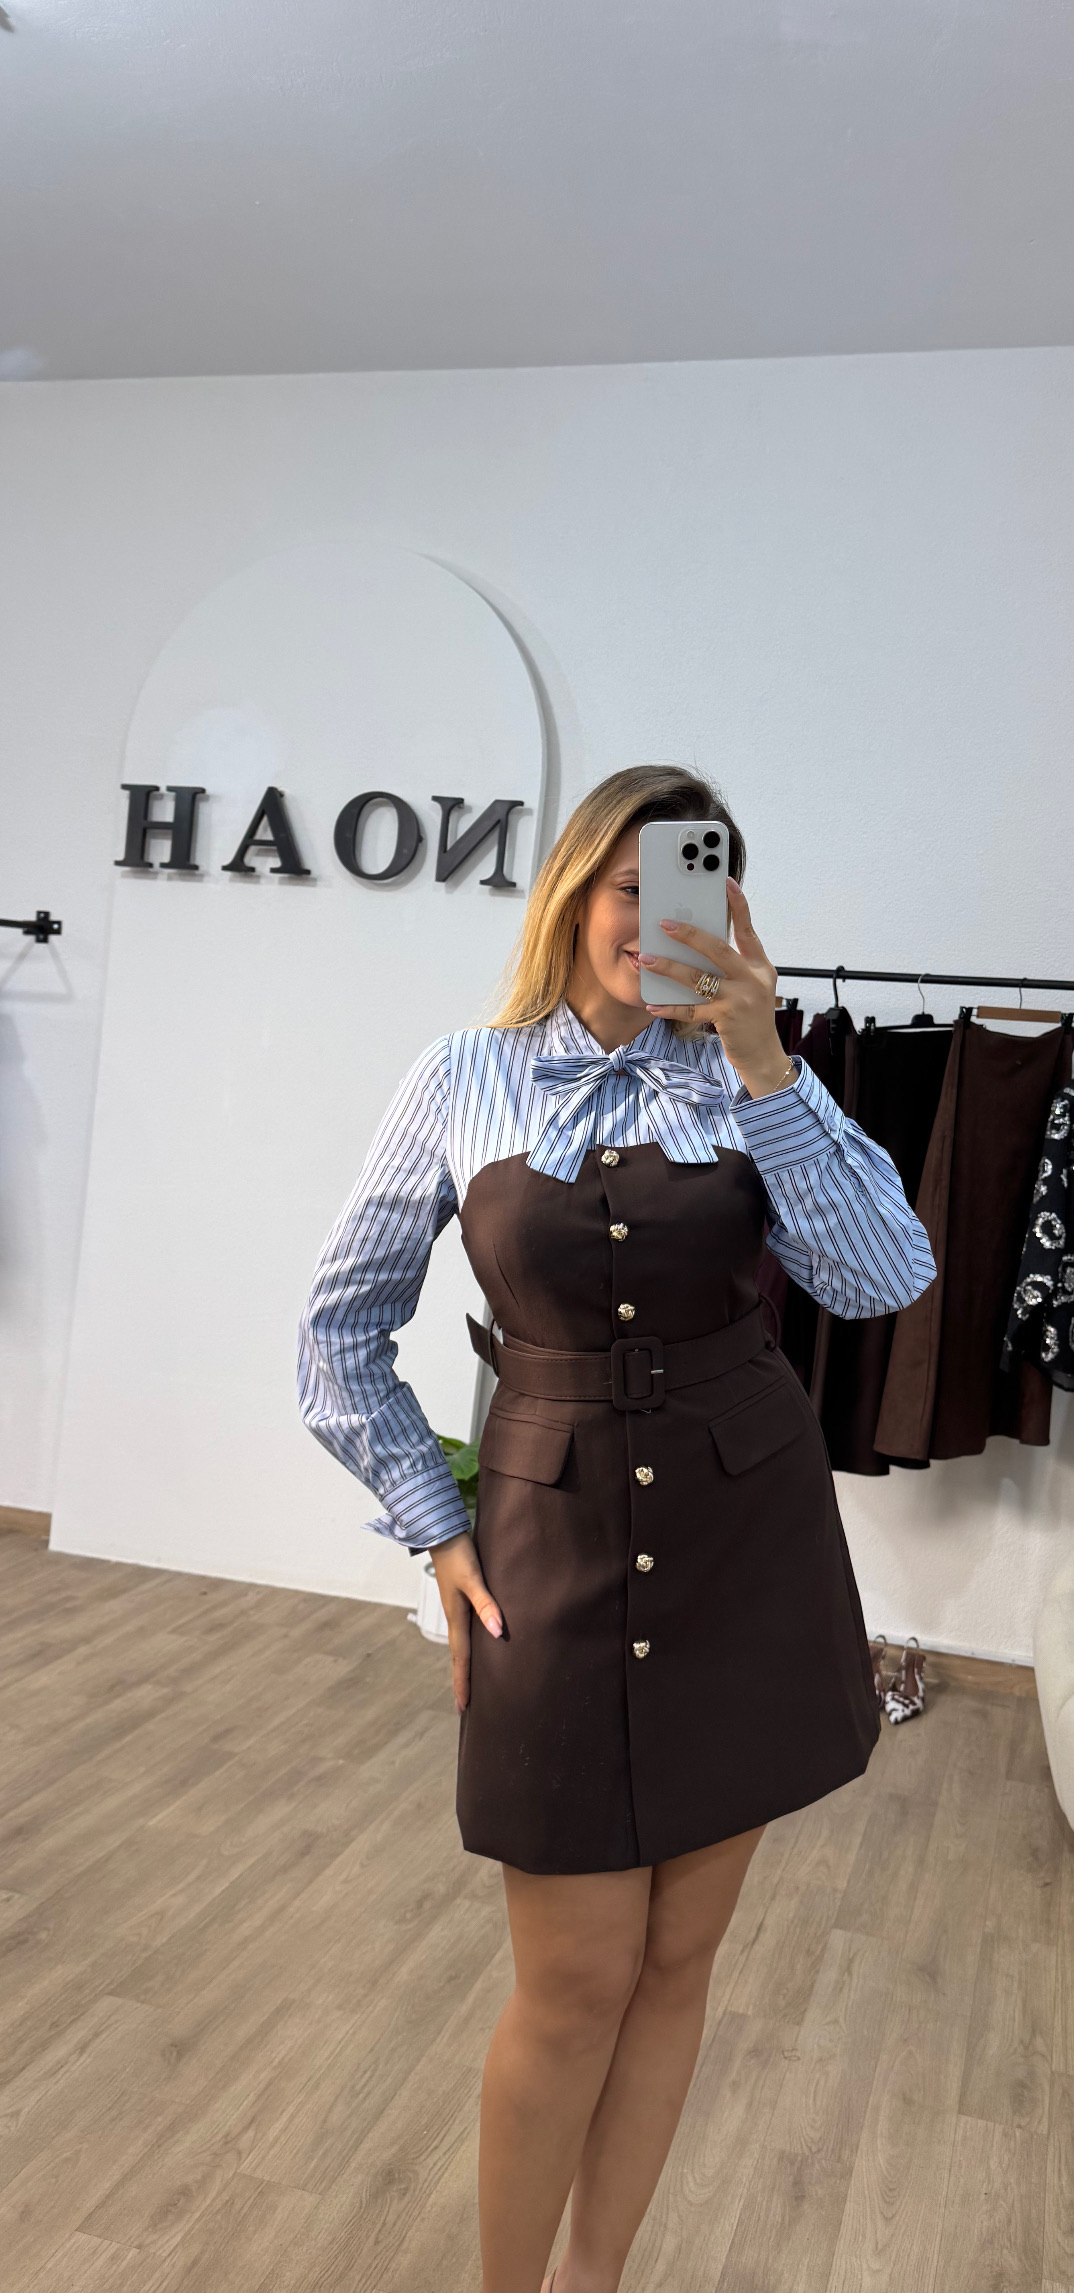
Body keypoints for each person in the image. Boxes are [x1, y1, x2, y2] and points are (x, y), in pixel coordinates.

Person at [297, 765, 934, 2293]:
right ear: (574, 890)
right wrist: (435, 1525)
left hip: (745, 1542)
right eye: (630, 888)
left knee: (672, 1964)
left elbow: (881, 1277)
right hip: (550, 1541)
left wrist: (764, 1060)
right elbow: (335, 1331)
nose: (654, 920)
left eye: (690, 888)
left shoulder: (752, 1078)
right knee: (573, 1978)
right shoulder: (461, 1073)